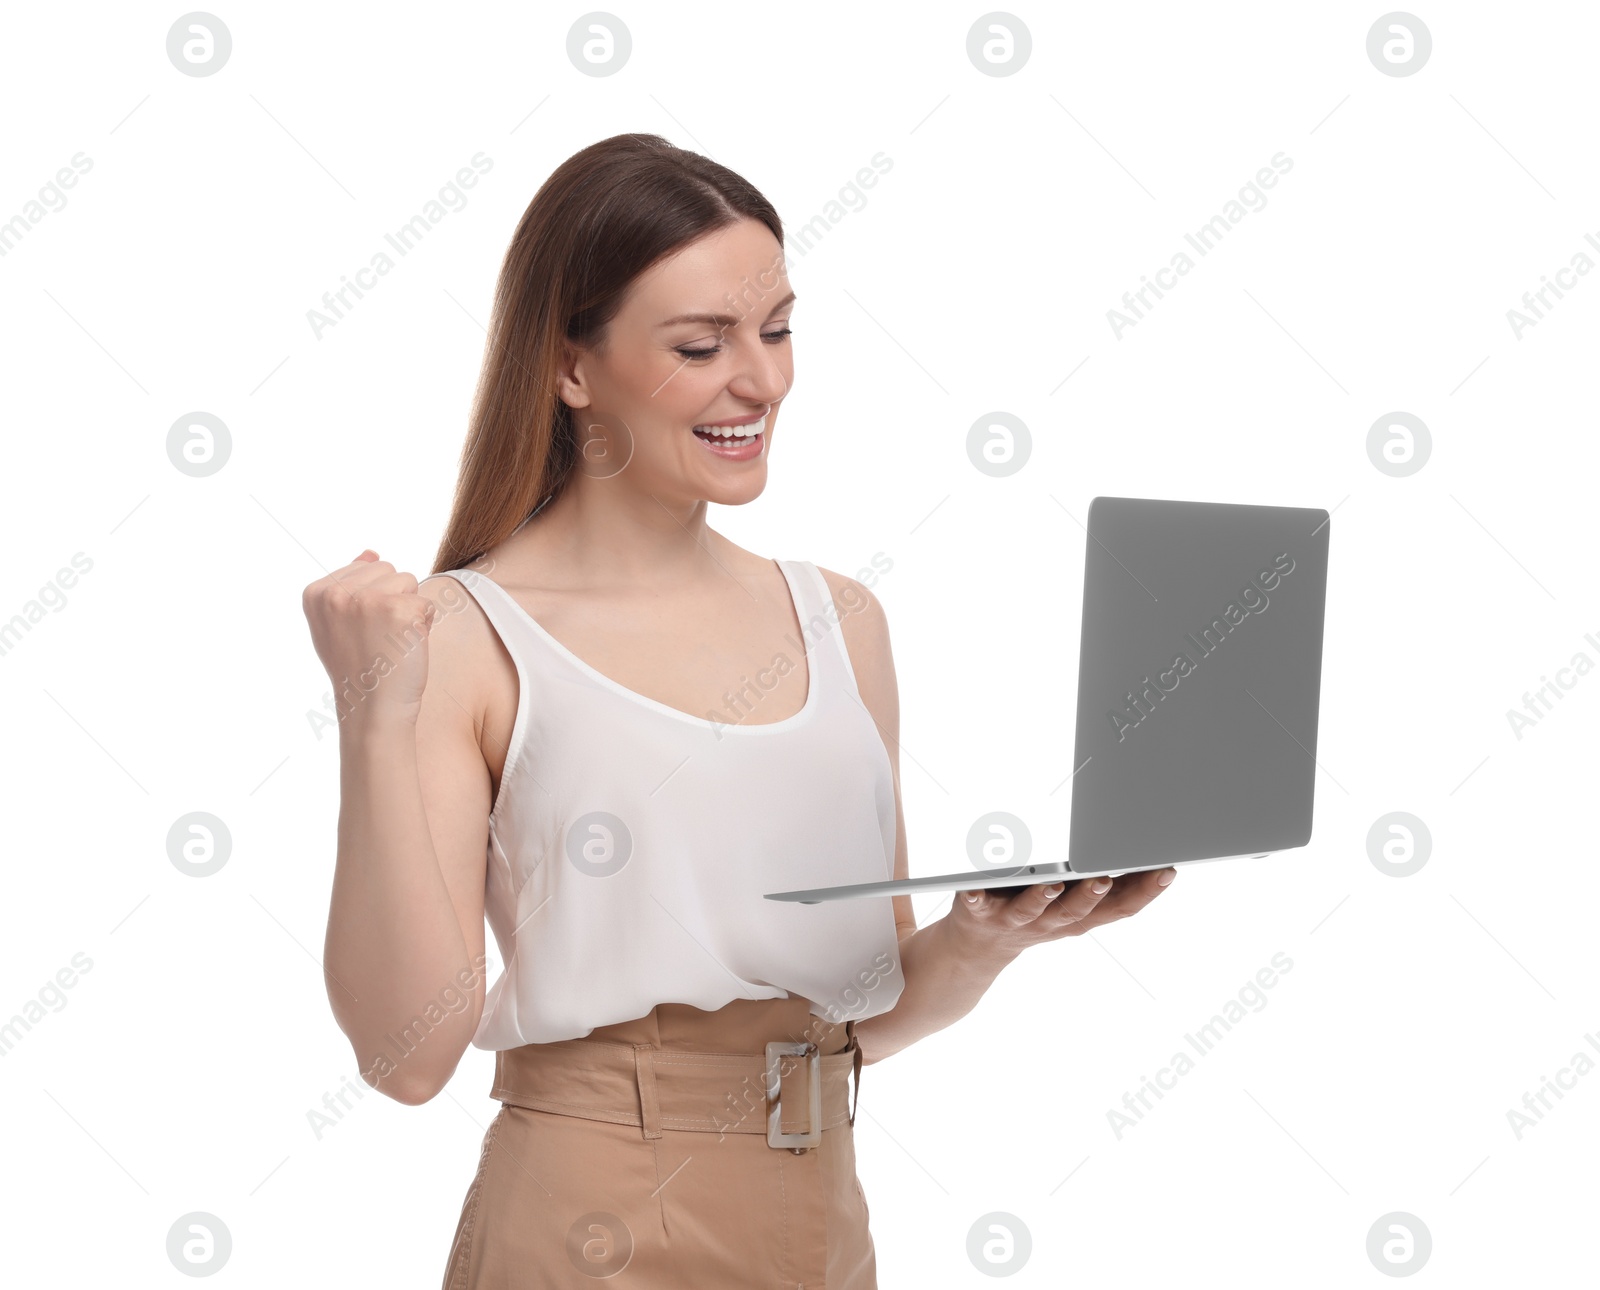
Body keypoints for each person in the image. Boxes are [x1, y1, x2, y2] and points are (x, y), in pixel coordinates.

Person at [301, 133, 1176, 1289]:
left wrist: (978, 944)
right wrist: (371, 713)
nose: (760, 382)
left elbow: (862, 1008)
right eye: (700, 345)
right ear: (571, 368)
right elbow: (405, 1059)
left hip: (817, 1212)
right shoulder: (458, 638)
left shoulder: (840, 620)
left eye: (776, 331)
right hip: (586, 1218)